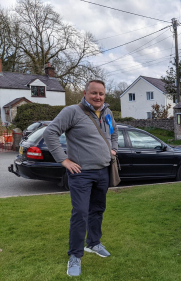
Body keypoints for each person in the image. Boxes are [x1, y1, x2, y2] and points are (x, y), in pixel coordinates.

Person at [44, 79, 118, 277]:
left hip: (103, 171)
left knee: (98, 210)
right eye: (94, 93)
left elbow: (114, 132)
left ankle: (93, 243)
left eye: (101, 94)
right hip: (81, 174)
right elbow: (50, 133)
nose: (98, 97)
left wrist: (113, 149)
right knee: (80, 214)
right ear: (85, 93)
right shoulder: (72, 112)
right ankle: (75, 256)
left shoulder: (107, 112)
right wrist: (64, 160)